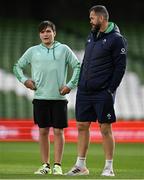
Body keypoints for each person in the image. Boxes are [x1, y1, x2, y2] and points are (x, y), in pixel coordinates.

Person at [66, 5, 127, 177]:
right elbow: (85, 62)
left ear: (101, 18)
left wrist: (110, 89)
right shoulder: (91, 37)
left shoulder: (117, 39)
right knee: (81, 125)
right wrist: (80, 84)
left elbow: (120, 67)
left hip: (103, 92)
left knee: (105, 128)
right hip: (85, 90)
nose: (90, 20)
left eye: (92, 17)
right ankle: (81, 166)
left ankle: (108, 167)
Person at [13, 20, 80, 175]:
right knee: (43, 131)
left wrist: (70, 85)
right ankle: (45, 166)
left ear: (54, 33)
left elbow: (77, 66)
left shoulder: (63, 49)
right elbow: (17, 66)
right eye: (42, 32)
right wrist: (25, 81)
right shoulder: (32, 51)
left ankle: (57, 166)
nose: (45, 34)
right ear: (39, 34)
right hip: (40, 98)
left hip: (59, 98)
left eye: (48, 31)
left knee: (58, 132)